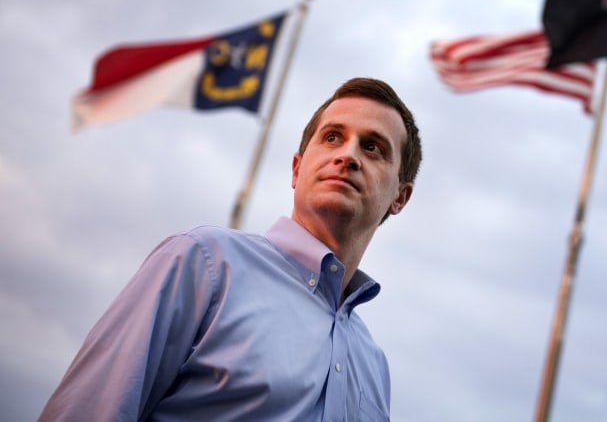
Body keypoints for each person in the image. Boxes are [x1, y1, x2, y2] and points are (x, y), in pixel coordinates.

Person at [38, 77, 423, 422]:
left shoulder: (375, 365)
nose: (348, 156)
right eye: (333, 137)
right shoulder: (202, 262)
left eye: (373, 147)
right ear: (296, 168)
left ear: (400, 198)